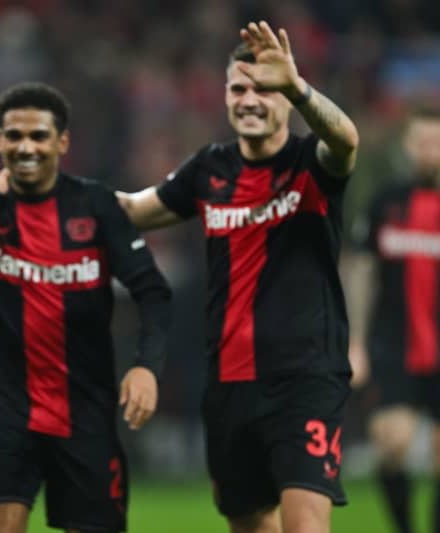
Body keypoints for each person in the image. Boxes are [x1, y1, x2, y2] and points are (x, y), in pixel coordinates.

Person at [0, 67, 172, 533]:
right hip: (5, 412)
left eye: (39, 136)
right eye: (16, 136)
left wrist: (146, 366)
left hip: (86, 414)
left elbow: (153, 292)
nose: (27, 147)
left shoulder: (96, 207)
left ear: (63, 142)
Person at [115, 21, 360, 533]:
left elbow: (345, 140)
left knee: (305, 524)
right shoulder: (209, 169)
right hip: (228, 381)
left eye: (266, 89)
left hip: (305, 377)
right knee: (247, 521)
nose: (251, 99)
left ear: (288, 100)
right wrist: (53, 195)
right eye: (239, 88)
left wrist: (297, 84)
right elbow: (136, 209)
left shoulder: (309, 165)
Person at [345, 107, 440, 533]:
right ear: (407, 146)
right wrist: (357, 342)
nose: (430, 152)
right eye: (422, 142)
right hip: (394, 342)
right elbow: (361, 271)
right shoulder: (387, 202)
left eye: (437, 142)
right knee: (392, 443)